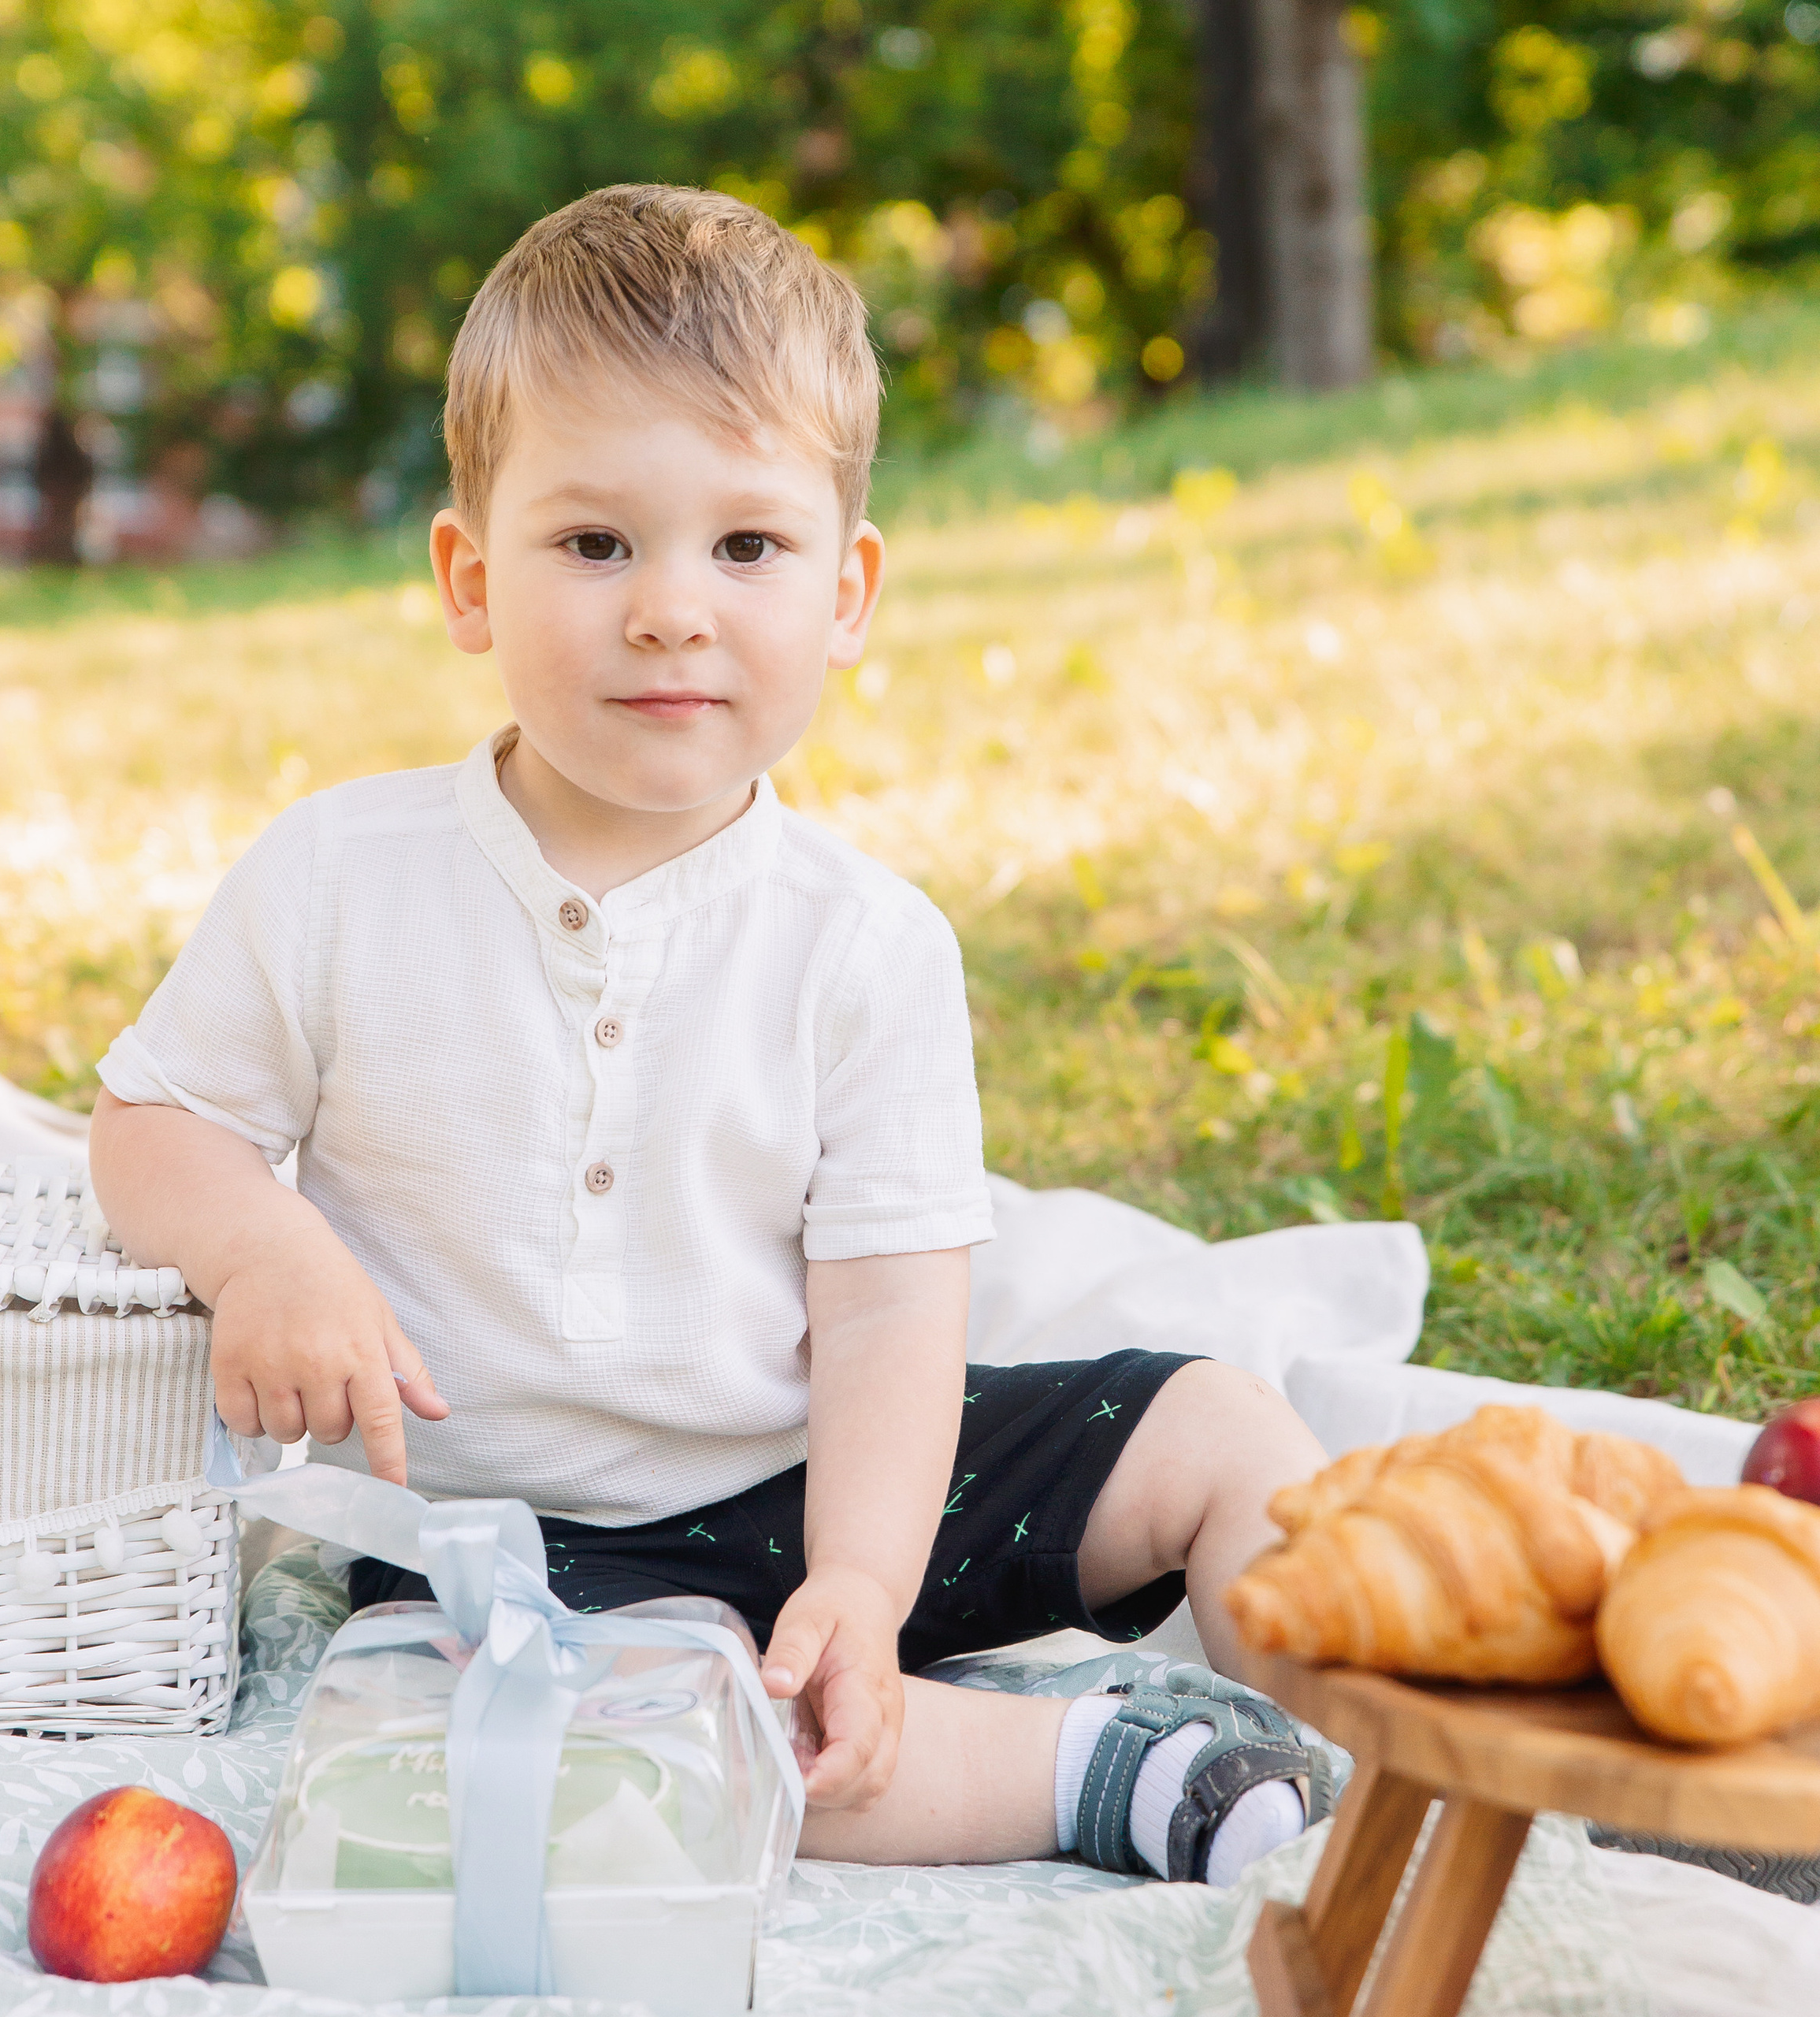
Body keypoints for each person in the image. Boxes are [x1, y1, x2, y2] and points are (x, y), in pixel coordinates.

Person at [91, 184, 1330, 1884]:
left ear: (842, 591)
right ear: (468, 575)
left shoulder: (864, 941)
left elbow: (892, 1305)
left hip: (822, 1470)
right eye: (596, 543)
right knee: (592, 1758)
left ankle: (1397, 1761)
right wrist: (263, 1250)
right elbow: (149, 1124)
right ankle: (1086, 1765)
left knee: (1226, 1433)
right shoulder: (338, 876)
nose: (670, 608)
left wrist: (862, 1586)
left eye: (744, 546)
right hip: (503, 1549)